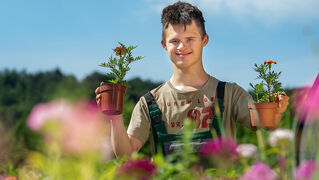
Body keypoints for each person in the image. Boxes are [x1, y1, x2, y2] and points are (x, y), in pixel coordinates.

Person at [95, 1, 289, 157]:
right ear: (164, 45)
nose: (182, 47)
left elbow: (266, 125)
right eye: (175, 41)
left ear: (204, 40)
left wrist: (277, 110)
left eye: (190, 39)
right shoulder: (149, 102)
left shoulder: (230, 94)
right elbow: (125, 154)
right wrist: (115, 118)